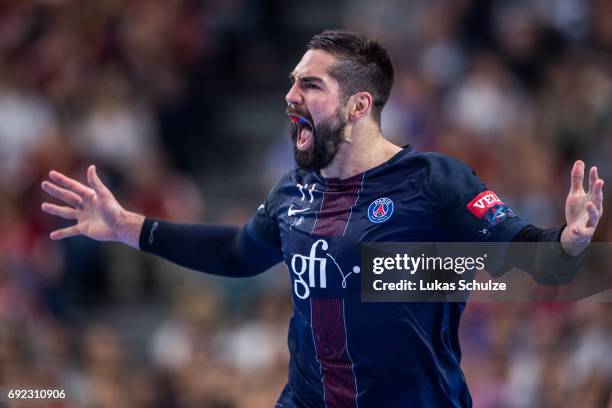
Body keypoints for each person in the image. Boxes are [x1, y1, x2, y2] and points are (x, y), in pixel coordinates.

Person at [41, 30, 604, 407]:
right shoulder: (294, 191)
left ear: (359, 106)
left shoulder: (434, 181)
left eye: (309, 85)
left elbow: (527, 256)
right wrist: (129, 227)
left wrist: (569, 243)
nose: (290, 96)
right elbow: (240, 253)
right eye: (291, 81)